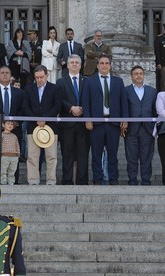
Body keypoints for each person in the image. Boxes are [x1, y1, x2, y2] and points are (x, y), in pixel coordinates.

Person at [82, 54, 127, 184]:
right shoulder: (90, 81)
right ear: (97, 66)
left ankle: (113, 179)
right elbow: (86, 102)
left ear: (110, 65)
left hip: (113, 123)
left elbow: (123, 102)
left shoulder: (118, 81)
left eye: (107, 63)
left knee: (113, 154)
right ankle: (97, 179)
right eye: (101, 63)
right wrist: (88, 119)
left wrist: (125, 120)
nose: (104, 65)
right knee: (96, 154)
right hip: (96, 124)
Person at [22, 65, 62, 185]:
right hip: (33, 127)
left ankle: (51, 181)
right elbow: (25, 106)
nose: (39, 80)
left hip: (51, 127)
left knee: (51, 157)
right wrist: (36, 119)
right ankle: (33, 181)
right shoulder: (29, 89)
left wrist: (45, 118)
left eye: (41, 77)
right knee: (32, 156)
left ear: (47, 75)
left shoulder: (55, 89)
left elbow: (57, 106)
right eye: (37, 77)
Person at [56, 54, 89, 184]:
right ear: (68, 65)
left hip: (83, 124)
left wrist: (82, 109)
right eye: (72, 62)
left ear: (81, 66)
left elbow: (90, 99)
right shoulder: (61, 82)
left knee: (83, 154)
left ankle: (82, 181)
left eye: (77, 62)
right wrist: (71, 108)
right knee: (67, 154)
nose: (74, 64)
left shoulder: (87, 81)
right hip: (67, 124)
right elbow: (59, 100)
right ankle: (67, 180)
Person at [124, 65, 158, 186]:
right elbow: (123, 108)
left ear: (144, 75)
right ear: (131, 76)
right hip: (131, 129)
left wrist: (154, 126)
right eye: (136, 74)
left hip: (147, 129)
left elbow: (155, 110)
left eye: (141, 73)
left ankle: (146, 181)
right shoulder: (125, 90)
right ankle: (132, 181)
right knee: (131, 158)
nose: (138, 76)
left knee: (146, 158)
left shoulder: (152, 91)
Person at [0, 117, 20, 184]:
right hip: (4, 156)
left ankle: (11, 183)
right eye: (8, 123)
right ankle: (3, 182)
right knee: (3, 171)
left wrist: (18, 153)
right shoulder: (1, 135)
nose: (10, 125)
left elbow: (17, 145)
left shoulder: (14, 136)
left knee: (12, 171)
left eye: (11, 124)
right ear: (3, 125)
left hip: (14, 156)